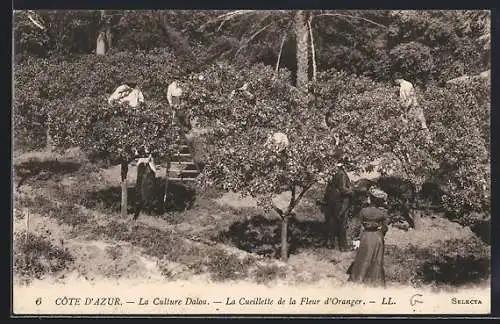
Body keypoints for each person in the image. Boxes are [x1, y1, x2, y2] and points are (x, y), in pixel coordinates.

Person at [347, 187, 390, 287]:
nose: (368, 198)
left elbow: (357, 226)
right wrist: (380, 233)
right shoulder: (382, 213)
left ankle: (359, 278)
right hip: (378, 237)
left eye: (369, 197)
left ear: (371, 199)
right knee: (377, 259)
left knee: (363, 257)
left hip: (366, 236)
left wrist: (356, 238)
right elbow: (385, 227)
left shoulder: (363, 211)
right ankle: (374, 281)